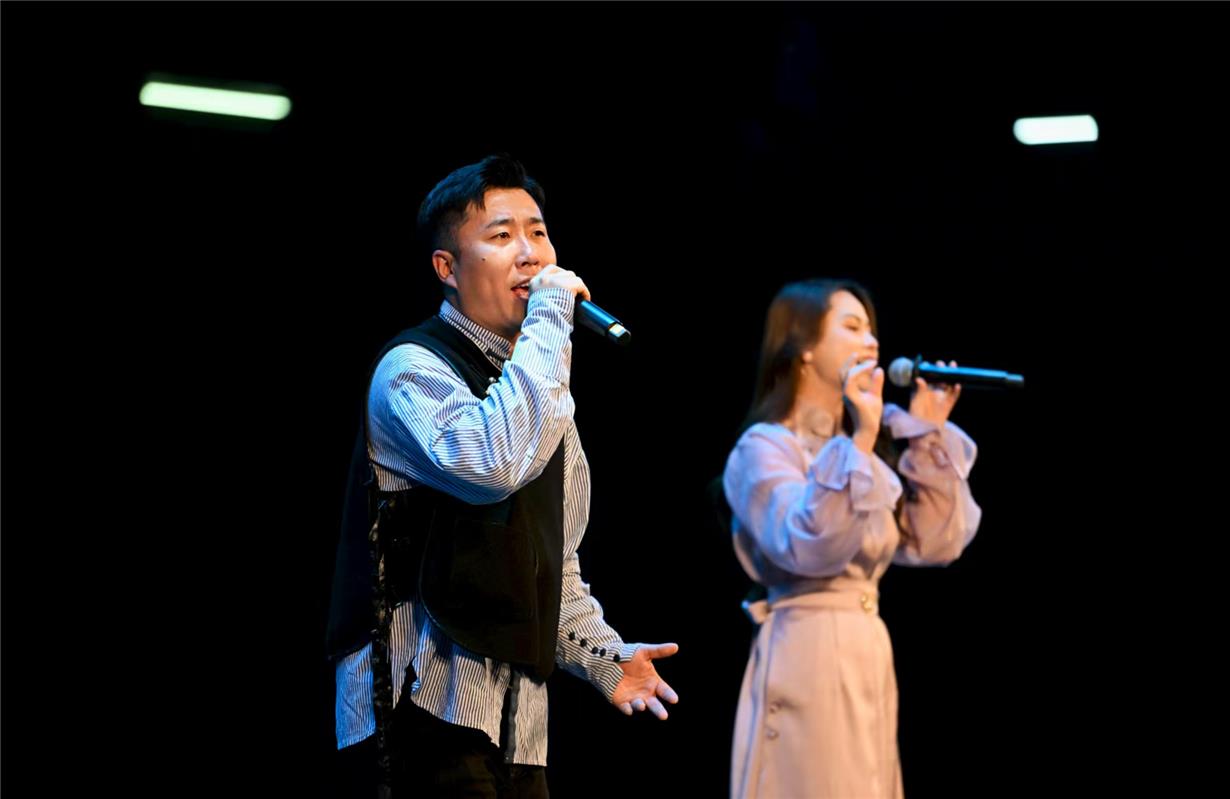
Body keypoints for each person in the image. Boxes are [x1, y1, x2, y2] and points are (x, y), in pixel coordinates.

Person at [327, 154, 678, 797]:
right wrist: (550, 318)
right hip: (417, 708)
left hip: (520, 727)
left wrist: (607, 659)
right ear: (447, 268)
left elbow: (550, 563)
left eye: (538, 232)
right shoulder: (410, 369)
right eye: (502, 234)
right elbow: (493, 464)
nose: (530, 252)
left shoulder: (539, 392)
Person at [722, 278, 982, 799]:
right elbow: (807, 544)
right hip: (808, 647)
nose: (872, 342)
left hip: (867, 648)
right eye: (853, 326)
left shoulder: (855, 453)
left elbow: (934, 542)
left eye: (872, 330)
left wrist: (926, 432)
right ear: (805, 345)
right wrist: (861, 438)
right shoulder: (764, 448)